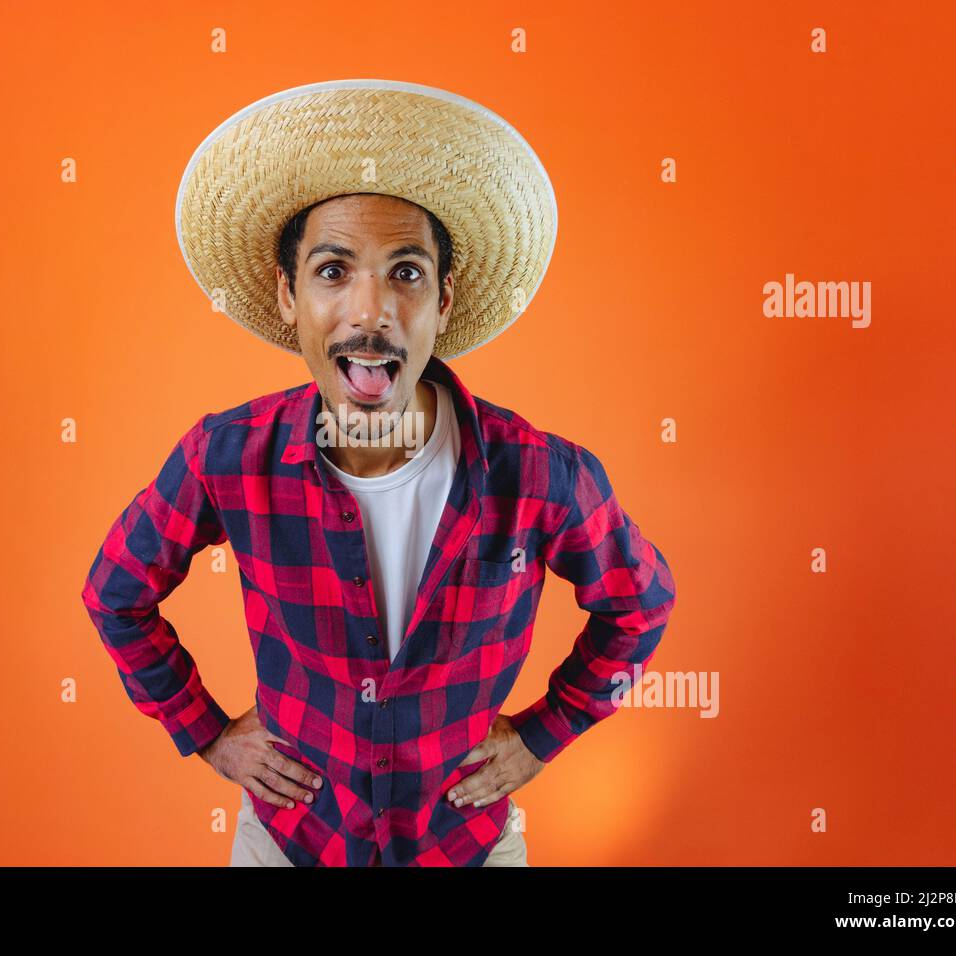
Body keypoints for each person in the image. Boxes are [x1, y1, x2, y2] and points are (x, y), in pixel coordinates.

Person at [81, 79, 676, 867]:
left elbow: (641, 607)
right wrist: (204, 732)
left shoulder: (540, 475)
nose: (371, 311)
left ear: (443, 300)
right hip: (289, 843)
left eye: (405, 273)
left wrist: (543, 735)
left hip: (464, 845)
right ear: (289, 296)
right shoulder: (226, 456)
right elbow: (115, 594)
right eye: (333, 271)